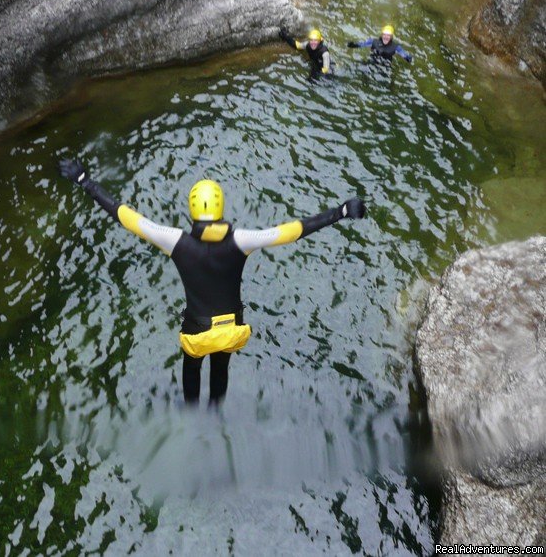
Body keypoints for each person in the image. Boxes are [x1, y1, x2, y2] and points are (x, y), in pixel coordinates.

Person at [58, 159, 366, 406]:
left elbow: (126, 216)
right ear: (221, 209)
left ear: (192, 211)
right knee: (221, 369)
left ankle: (193, 412)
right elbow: (291, 231)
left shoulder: (174, 240)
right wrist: (339, 212)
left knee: (192, 369)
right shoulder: (242, 240)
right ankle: (216, 410)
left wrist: (86, 181)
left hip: (196, 330)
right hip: (231, 327)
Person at [347, 25, 412, 64]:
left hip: (385, 65)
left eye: (388, 35)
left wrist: (408, 58)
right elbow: (362, 44)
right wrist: (353, 45)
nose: (386, 37)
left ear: (391, 37)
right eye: (384, 35)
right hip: (372, 61)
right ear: (382, 35)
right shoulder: (373, 41)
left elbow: (404, 54)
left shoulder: (396, 47)